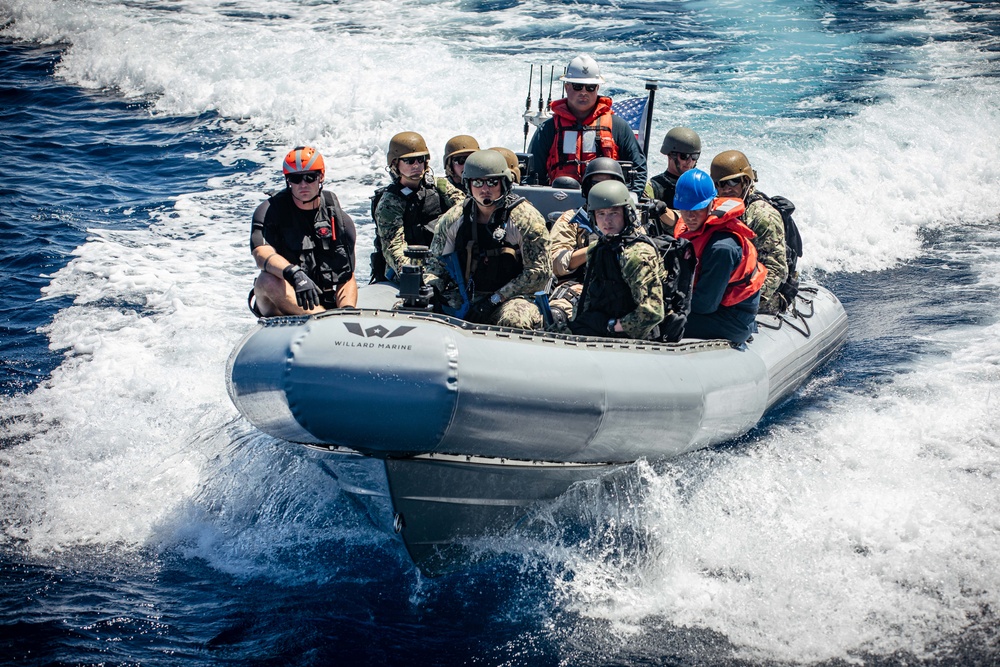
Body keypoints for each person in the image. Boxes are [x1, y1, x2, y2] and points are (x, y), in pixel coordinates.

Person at [424, 149, 551, 329]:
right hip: (467, 295)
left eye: (492, 182)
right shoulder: (454, 219)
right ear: (468, 184)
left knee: (515, 320)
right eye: (478, 183)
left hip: (514, 297)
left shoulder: (525, 219)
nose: (485, 189)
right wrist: (431, 289)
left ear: (504, 182)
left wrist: (495, 299)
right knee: (423, 312)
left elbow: (539, 273)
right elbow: (436, 266)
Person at [250, 146, 357, 316]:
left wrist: (348, 311)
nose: (303, 185)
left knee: (347, 274)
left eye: (310, 177)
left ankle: (335, 320)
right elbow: (261, 253)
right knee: (266, 280)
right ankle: (321, 320)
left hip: (324, 302)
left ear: (321, 177)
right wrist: (294, 274)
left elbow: (346, 276)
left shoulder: (338, 218)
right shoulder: (270, 211)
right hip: (284, 301)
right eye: (296, 179)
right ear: (288, 181)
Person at [526, 54, 647, 194]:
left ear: (597, 88)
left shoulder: (618, 127)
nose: (583, 92)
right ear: (567, 87)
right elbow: (532, 177)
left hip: (606, 207)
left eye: (590, 87)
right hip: (558, 204)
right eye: (578, 86)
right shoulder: (548, 129)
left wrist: (625, 203)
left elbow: (639, 172)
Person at [672, 169, 767, 346]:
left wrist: (668, 308)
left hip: (732, 319)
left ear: (711, 205)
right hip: (717, 308)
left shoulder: (721, 248)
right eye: (685, 210)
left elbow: (705, 305)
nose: (690, 217)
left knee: (659, 323)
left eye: (697, 209)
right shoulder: (694, 228)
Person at [568, 180, 666, 340]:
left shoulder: (636, 254)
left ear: (627, 214)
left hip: (634, 335)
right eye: (601, 214)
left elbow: (652, 312)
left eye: (613, 213)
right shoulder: (597, 248)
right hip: (604, 326)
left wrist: (612, 326)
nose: (607, 221)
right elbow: (589, 295)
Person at [373, 131, 462, 280]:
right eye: (409, 161)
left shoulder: (439, 186)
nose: (416, 165)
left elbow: (464, 208)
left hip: (443, 262)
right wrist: (415, 274)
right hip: (409, 269)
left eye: (420, 160)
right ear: (395, 163)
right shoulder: (389, 202)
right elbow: (394, 248)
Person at [710, 150, 789, 314]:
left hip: (760, 293)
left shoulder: (762, 217)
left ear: (746, 181)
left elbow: (777, 270)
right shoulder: (719, 209)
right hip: (731, 284)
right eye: (719, 184)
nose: (724, 189)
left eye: (731, 183)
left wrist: (743, 300)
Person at [644, 126, 702, 236]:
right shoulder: (653, 187)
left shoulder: (700, 184)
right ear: (671, 155)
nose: (690, 161)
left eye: (694, 156)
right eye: (684, 156)